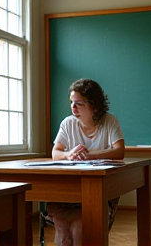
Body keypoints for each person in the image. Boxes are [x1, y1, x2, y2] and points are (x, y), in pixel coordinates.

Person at [46, 78, 125, 246]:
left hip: (98, 192)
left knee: (79, 227)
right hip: (69, 191)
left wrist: (91, 156)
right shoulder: (68, 123)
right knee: (62, 223)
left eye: (79, 104)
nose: (73, 108)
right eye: (71, 103)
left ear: (94, 105)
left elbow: (119, 151)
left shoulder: (109, 121)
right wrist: (69, 155)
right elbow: (55, 153)